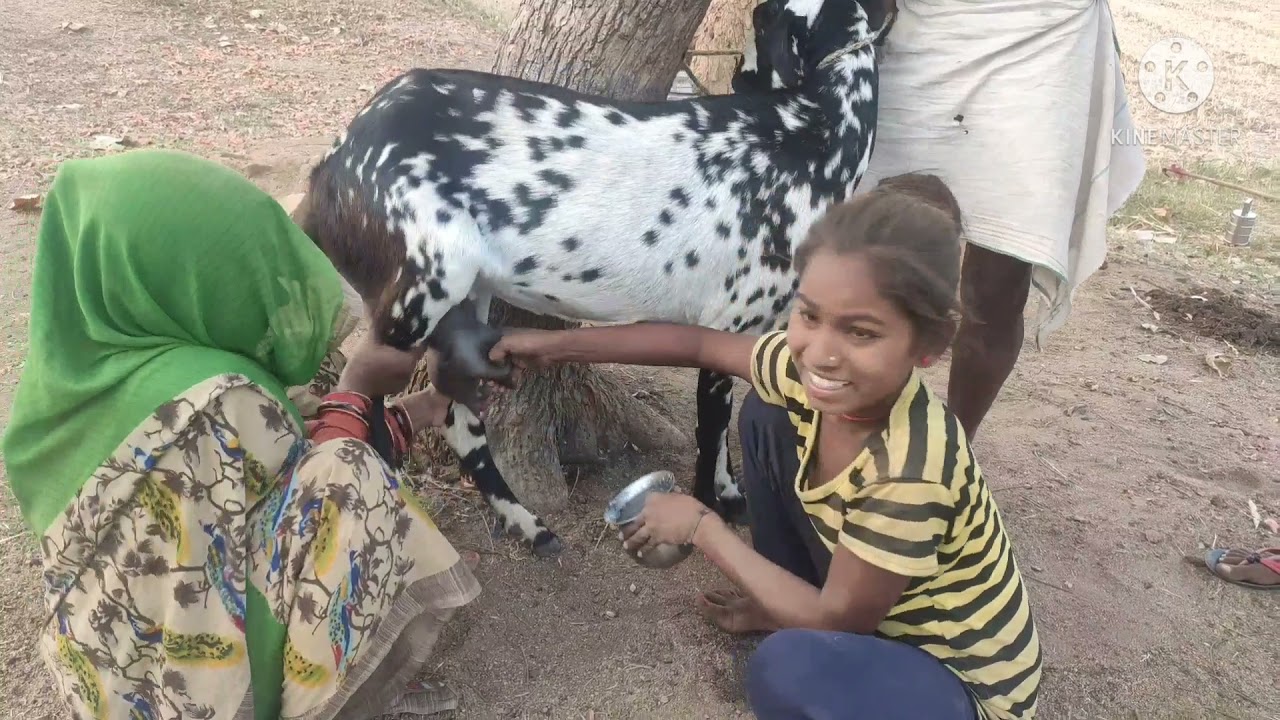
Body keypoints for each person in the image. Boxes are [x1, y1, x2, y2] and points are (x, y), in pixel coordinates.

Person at [490, 173, 1042, 718]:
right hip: (876, 618)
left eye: (862, 332)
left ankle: (795, 611)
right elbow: (699, 343)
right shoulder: (804, 372)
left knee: (787, 669)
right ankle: (788, 599)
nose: (820, 354)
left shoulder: (909, 468)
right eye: (809, 315)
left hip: (957, 682)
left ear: (929, 346)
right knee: (765, 411)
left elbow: (838, 624)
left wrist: (702, 526)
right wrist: (556, 345)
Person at [1, 149, 481, 720]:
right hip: (204, 694)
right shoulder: (214, 400)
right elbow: (320, 479)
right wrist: (356, 385)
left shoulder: (76, 380)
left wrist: (423, 407)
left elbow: (268, 478)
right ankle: (317, 698)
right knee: (350, 473)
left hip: (115, 675)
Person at [856, 0, 1147, 438]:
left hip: (1042, 30)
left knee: (995, 288)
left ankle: (954, 452)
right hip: (920, 26)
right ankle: (852, 427)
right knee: (865, 260)